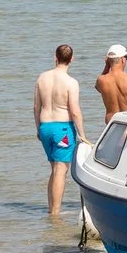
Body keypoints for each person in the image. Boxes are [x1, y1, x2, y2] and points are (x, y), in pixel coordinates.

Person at [33, 43, 86, 221]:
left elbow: (36, 107)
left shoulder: (42, 78)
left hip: (45, 126)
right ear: (71, 59)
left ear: (55, 57)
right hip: (62, 128)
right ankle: (55, 214)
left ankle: (51, 209)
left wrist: (38, 129)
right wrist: (82, 134)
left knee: (54, 169)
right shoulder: (71, 82)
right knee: (60, 170)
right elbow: (75, 110)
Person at [97, 43, 127, 120]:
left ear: (108, 61)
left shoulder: (101, 80)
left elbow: (97, 88)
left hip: (111, 124)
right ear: (122, 60)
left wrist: (107, 66)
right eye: (126, 58)